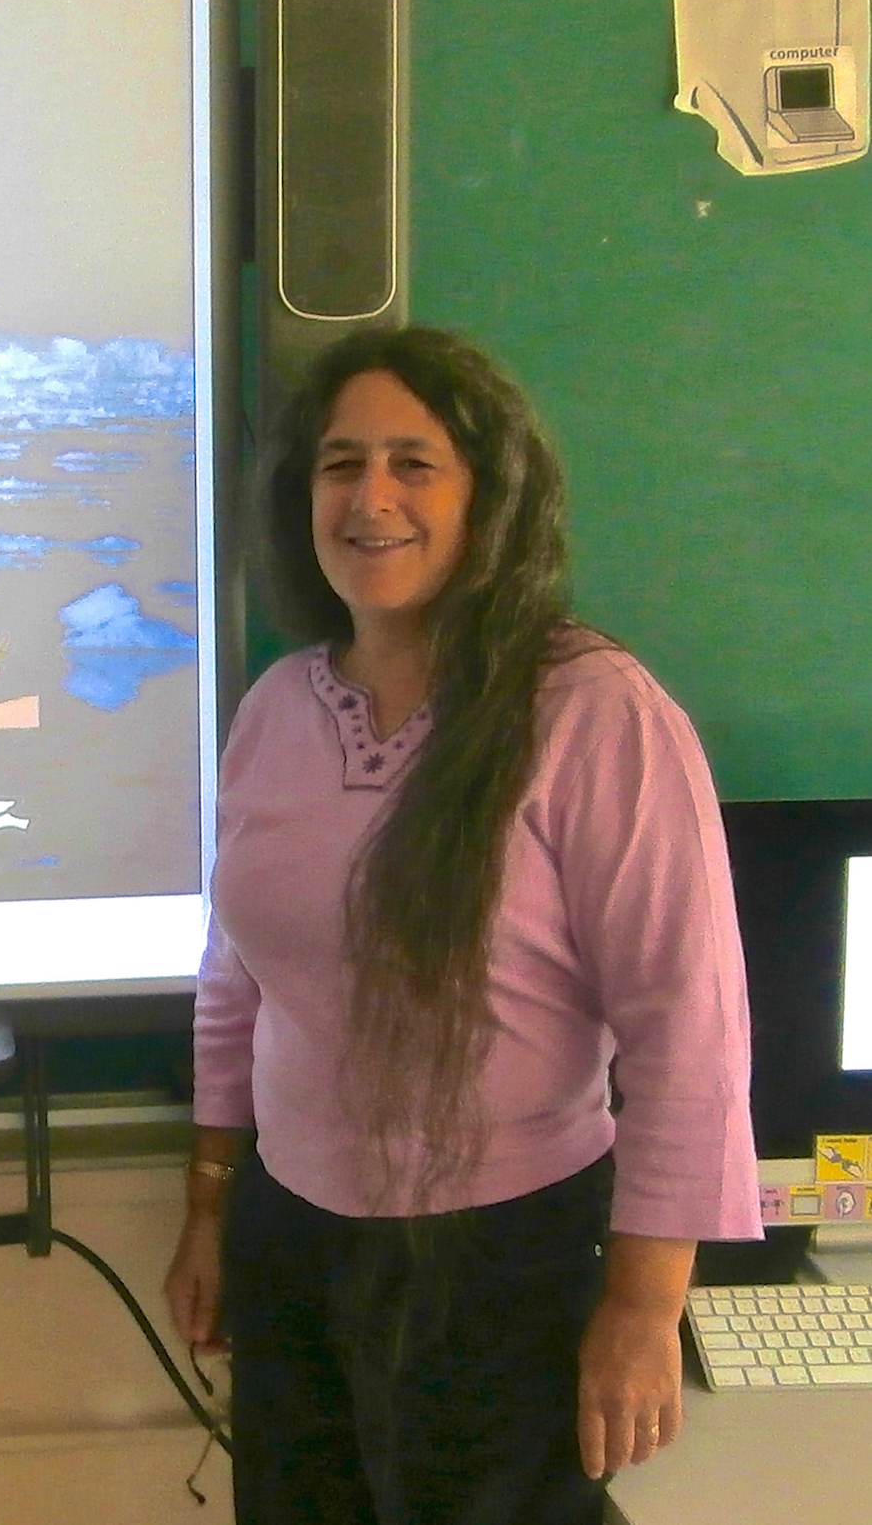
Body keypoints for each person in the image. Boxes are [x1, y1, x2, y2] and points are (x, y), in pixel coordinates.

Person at [163, 326, 759, 1524]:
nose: (369, 498)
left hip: (502, 1256)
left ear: (489, 494)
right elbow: (235, 980)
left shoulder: (591, 710)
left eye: (412, 462)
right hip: (293, 1236)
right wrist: (211, 1206)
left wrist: (643, 1308)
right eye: (339, 464)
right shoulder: (278, 706)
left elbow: (685, 1027)